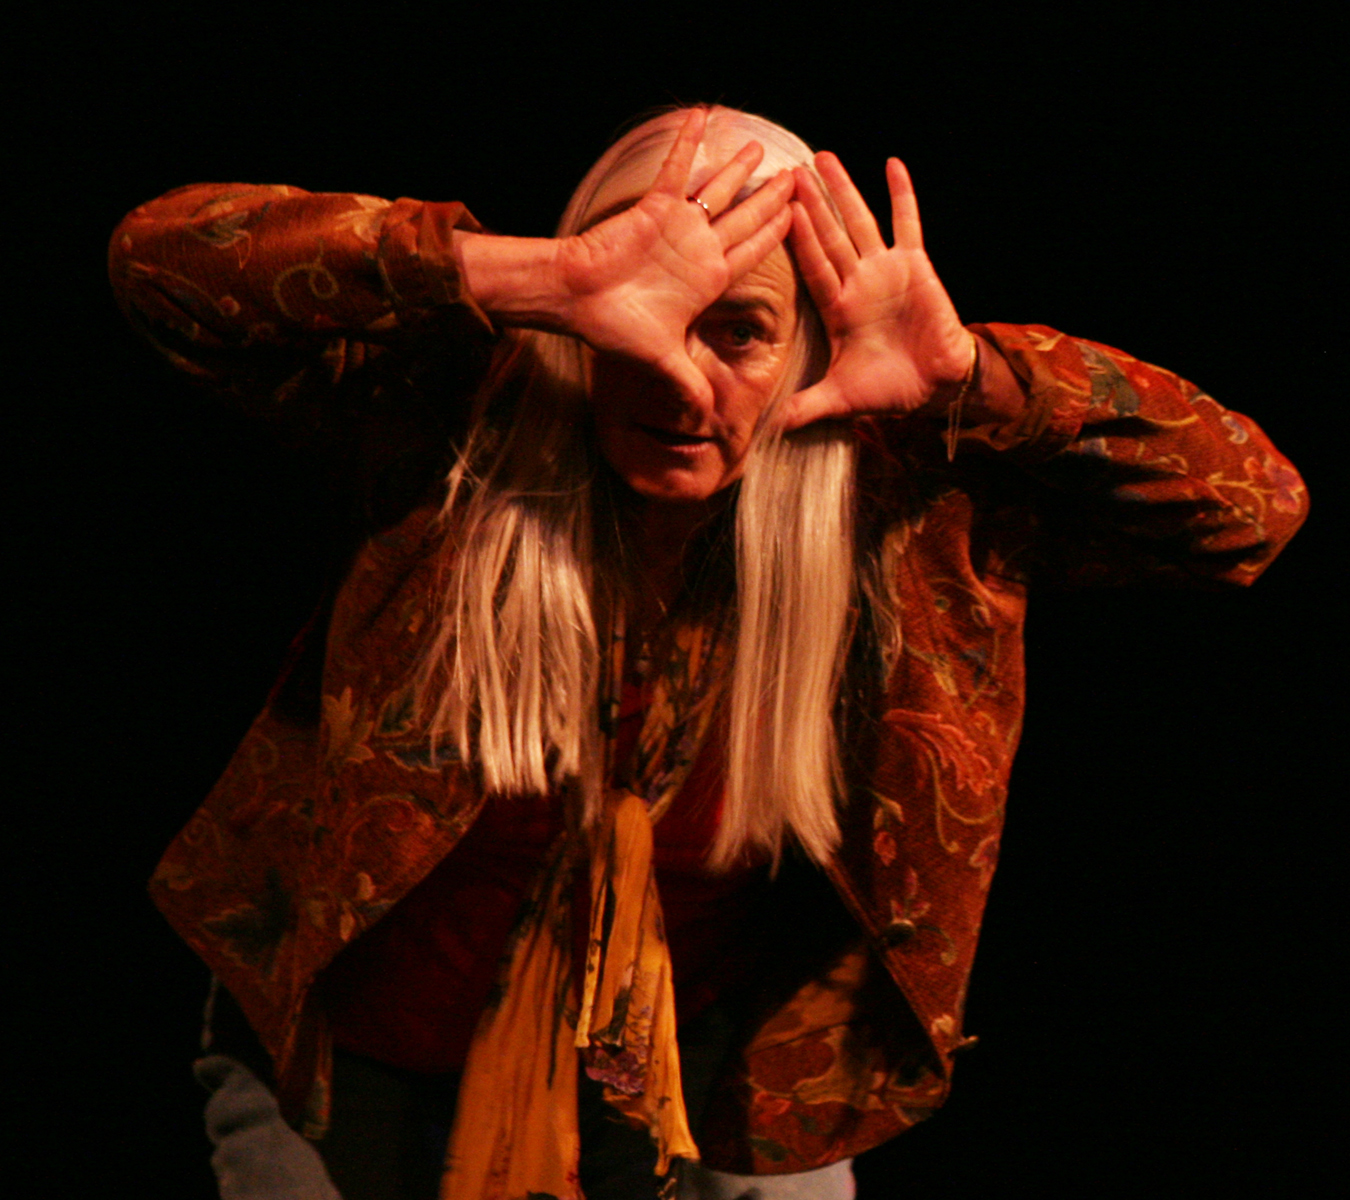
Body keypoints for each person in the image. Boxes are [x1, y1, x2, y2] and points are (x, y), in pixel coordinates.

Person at [110, 106, 1306, 1200]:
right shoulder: (454, 429)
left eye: (739, 332)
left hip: (715, 1071)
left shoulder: (897, 510)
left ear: (806, 347)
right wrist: (541, 274)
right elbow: (161, 263)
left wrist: (970, 380)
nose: (682, 376)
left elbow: (1252, 507)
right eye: (646, 315)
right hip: (351, 1060)